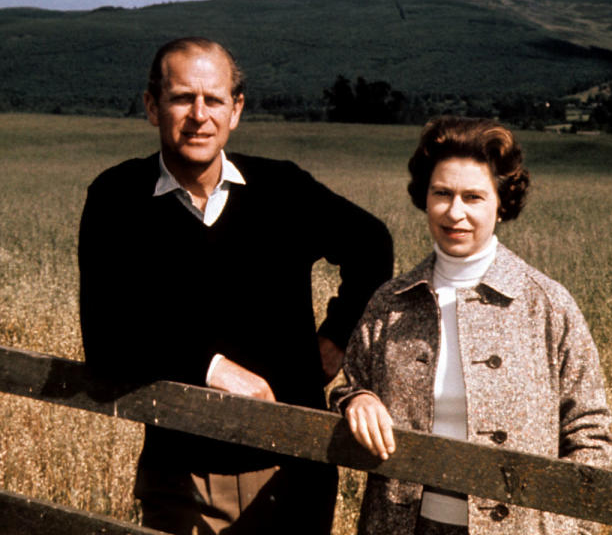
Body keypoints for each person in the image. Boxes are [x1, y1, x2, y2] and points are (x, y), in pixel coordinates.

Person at [78, 36, 393, 534]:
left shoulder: (282, 189)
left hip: (295, 465)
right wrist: (212, 368)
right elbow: (105, 338)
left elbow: (372, 245)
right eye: (182, 98)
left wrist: (336, 337)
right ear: (151, 106)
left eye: (214, 99)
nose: (198, 115)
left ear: (236, 109)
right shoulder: (118, 199)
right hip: (185, 473)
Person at [332, 116, 612, 535]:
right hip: (403, 525)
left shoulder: (547, 304)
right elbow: (347, 387)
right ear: (424, 197)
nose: (455, 212)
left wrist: (564, 527)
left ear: (501, 204)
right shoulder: (390, 303)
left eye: (474, 197)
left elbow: (590, 435)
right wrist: (357, 399)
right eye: (442, 193)